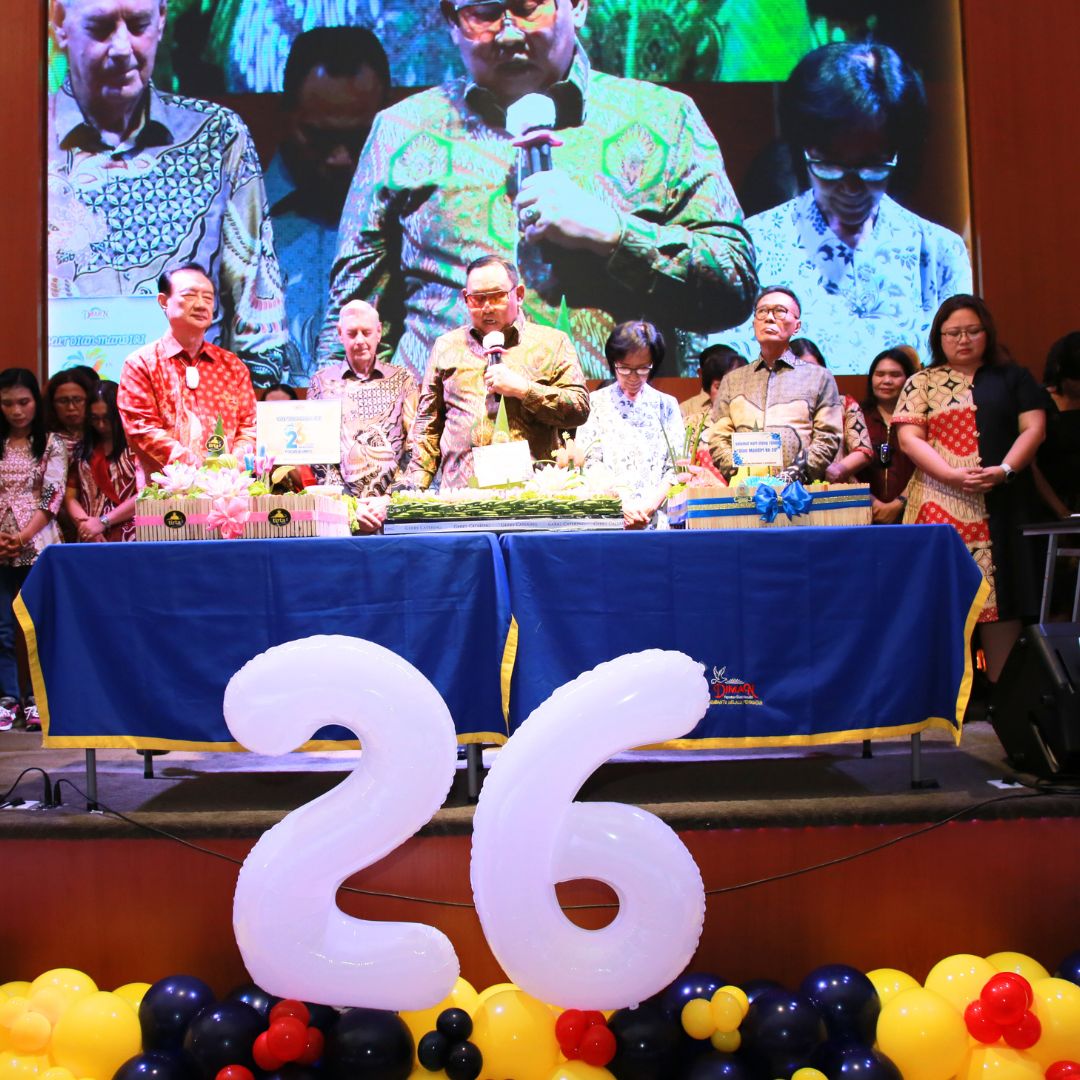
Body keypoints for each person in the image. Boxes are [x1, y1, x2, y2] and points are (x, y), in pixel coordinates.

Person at [317, 0, 758, 380]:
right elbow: (352, 315)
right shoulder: (402, 131)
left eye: (528, 7)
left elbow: (735, 286)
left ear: (578, 6)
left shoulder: (663, 118)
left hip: (613, 431)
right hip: (446, 435)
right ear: (451, 21)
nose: (509, 33)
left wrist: (615, 234)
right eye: (484, 13)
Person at [47, 0, 297, 387]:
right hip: (56, 411)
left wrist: (246, 410)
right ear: (60, 23)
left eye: (138, 25)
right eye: (100, 27)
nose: (122, 47)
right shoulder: (20, 143)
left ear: (162, 20)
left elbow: (258, 316)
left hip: (198, 412)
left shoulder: (217, 137)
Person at [710, 42, 971, 374]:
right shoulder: (751, 247)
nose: (851, 187)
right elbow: (724, 371)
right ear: (803, 149)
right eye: (830, 164)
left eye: (872, 164)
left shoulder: (939, 252)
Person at [892, 294, 1047, 683]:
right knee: (940, 605)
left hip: (1003, 506)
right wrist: (951, 475)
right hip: (939, 508)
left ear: (987, 333)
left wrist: (1005, 470)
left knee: (1004, 599)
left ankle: (1004, 700)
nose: (964, 339)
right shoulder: (921, 381)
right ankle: (938, 702)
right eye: (954, 333)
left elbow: (1034, 428)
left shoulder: (1013, 378)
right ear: (938, 337)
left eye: (973, 331)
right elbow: (909, 439)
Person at [265, 27, 391, 383]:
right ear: (285, 117)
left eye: (358, 138)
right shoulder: (239, 218)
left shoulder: (416, 224)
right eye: (320, 138)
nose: (340, 158)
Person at [403, 255, 589, 490]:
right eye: (477, 299)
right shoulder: (446, 346)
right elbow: (427, 425)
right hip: (462, 496)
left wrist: (525, 390)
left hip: (532, 496)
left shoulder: (552, 343)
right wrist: (414, 489)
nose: (487, 307)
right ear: (465, 298)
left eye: (497, 296)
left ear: (518, 294)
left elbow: (579, 408)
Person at [117, 263, 258, 488]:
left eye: (208, 297)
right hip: (166, 495)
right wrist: (200, 472)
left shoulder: (232, 366)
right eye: (190, 295)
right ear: (163, 301)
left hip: (228, 492)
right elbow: (142, 430)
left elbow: (250, 427)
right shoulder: (141, 364)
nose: (201, 304)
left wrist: (230, 470)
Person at [708, 286, 842, 481]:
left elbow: (827, 437)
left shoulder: (819, 378)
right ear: (754, 323)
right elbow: (719, 437)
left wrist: (788, 478)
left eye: (779, 311)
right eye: (762, 311)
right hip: (744, 490)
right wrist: (743, 477)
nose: (769, 318)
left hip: (799, 493)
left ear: (797, 326)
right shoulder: (732, 381)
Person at [0, 370, 67, 733]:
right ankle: (8, 698)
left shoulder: (51, 443)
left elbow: (52, 497)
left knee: (37, 624)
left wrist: (22, 536)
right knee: (2, 628)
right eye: (7, 403)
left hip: (38, 543)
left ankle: (37, 699)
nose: (16, 411)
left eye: (23, 402)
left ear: (35, 403)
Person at [575, 321, 685, 529]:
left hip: (655, 519)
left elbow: (675, 467)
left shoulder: (666, 405)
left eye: (643, 368)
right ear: (613, 362)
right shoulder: (596, 403)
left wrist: (648, 507)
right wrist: (621, 505)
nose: (633, 378)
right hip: (609, 517)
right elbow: (589, 462)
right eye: (624, 368)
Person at [307, 301, 418, 496]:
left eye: (366, 333)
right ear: (340, 333)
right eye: (352, 333)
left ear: (379, 332)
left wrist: (390, 498)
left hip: (392, 501)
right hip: (340, 503)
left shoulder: (403, 379)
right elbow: (317, 450)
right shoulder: (321, 382)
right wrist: (347, 501)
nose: (360, 340)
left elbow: (415, 444)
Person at [789, 336, 872, 481]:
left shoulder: (844, 404)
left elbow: (863, 450)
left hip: (835, 486)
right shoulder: (774, 409)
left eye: (813, 368)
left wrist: (838, 469)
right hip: (787, 486)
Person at [65, 380, 138, 542]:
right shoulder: (81, 451)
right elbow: (70, 497)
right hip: (91, 536)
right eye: (95, 418)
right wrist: (86, 526)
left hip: (131, 535)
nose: (101, 425)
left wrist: (103, 522)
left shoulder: (137, 449)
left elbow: (147, 494)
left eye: (107, 418)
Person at [855, 346, 918, 524]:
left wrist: (901, 502)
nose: (887, 381)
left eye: (895, 375)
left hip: (912, 511)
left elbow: (925, 470)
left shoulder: (919, 419)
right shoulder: (856, 416)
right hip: (864, 512)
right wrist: (872, 501)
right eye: (880, 374)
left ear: (908, 379)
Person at [1033, 332, 1080, 521]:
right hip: (1052, 503)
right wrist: (1062, 512)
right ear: (1061, 372)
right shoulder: (1039, 400)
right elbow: (1031, 465)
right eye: (1077, 381)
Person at [680, 344, 748, 423]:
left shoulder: (754, 413)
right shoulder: (688, 416)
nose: (726, 395)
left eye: (734, 387)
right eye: (719, 387)